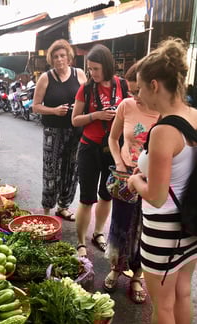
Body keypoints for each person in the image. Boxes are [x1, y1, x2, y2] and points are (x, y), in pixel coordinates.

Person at [128, 38, 197, 324]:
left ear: (155, 85)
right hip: (191, 225)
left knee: (163, 305)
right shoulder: (195, 116)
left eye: (140, 88)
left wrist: (133, 180)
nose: (138, 95)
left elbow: (155, 195)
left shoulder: (164, 131)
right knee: (183, 293)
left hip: (164, 231)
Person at [103, 63, 159, 304]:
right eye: (131, 91)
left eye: (138, 91)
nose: (134, 97)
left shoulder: (164, 113)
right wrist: (119, 163)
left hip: (153, 181)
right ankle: (116, 268)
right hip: (125, 178)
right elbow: (113, 138)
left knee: (144, 230)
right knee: (120, 226)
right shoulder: (126, 106)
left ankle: (137, 275)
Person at [71, 44, 127, 257]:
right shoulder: (85, 88)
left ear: (107, 66)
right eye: (89, 69)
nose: (92, 73)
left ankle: (97, 233)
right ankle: (80, 242)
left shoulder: (121, 85)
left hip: (113, 148)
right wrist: (96, 115)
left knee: (106, 195)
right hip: (89, 147)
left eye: (96, 69)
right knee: (86, 197)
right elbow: (75, 120)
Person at [33, 39, 86, 223]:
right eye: (55, 56)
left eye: (62, 55)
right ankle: (47, 210)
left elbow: (87, 100)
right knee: (51, 170)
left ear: (69, 57)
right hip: (53, 132)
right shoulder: (46, 77)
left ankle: (63, 206)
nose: (59, 59)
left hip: (75, 130)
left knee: (71, 170)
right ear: (51, 59)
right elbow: (36, 106)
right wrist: (54, 111)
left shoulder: (79, 74)